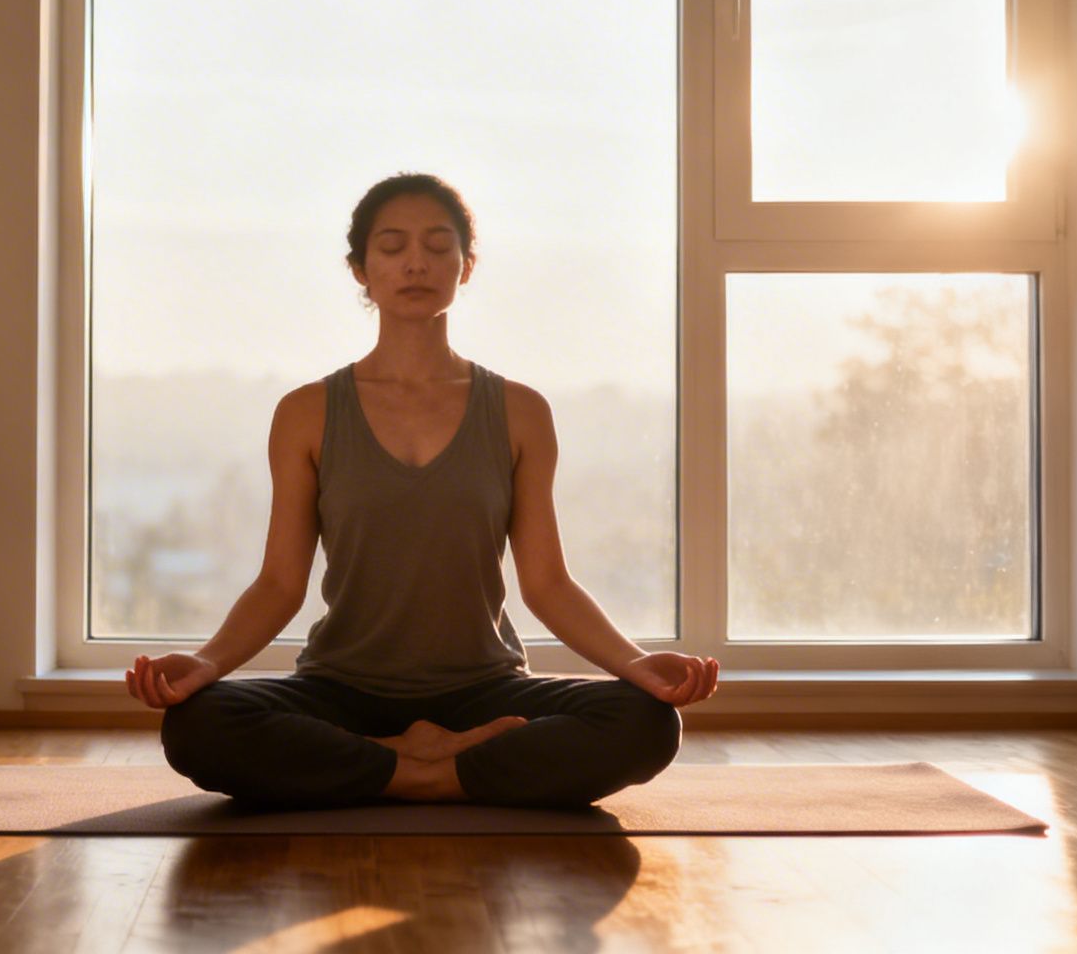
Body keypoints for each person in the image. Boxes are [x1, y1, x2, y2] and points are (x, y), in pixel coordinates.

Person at [125, 173, 719, 808]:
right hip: (343, 692)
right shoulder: (306, 413)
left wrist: (635, 666)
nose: (416, 262)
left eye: (439, 246)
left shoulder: (520, 412)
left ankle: (385, 770)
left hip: (484, 689)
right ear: (360, 269)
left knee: (647, 722)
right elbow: (279, 583)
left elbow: (548, 583)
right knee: (197, 726)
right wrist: (209, 664)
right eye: (392, 246)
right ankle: (446, 768)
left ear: (465, 267)